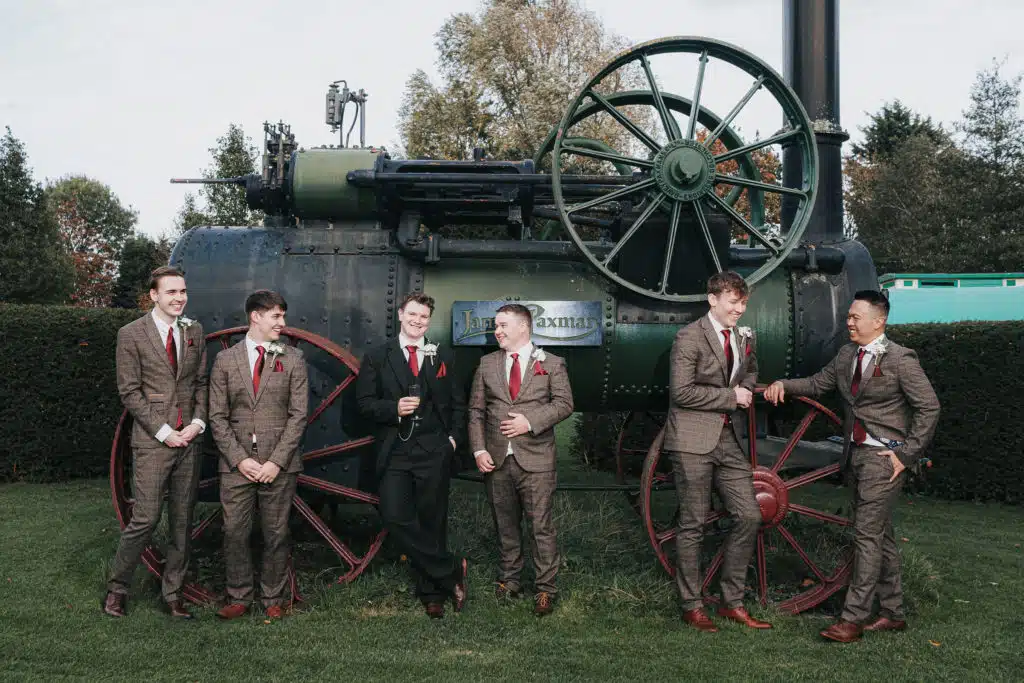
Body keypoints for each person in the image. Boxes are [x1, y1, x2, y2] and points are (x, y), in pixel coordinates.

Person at [765, 289, 939, 643]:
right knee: (880, 535)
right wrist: (782, 384)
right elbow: (817, 384)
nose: (849, 322)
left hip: (883, 460)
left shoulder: (901, 360)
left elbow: (930, 407)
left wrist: (905, 454)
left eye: (856, 317)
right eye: (848, 316)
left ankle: (853, 619)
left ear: (880, 321)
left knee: (866, 537)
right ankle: (893, 613)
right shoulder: (847, 355)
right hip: (855, 458)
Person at [664, 270, 771, 633]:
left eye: (743, 303)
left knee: (750, 515)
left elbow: (751, 372)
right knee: (692, 524)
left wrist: (745, 388)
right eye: (732, 302)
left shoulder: (743, 336)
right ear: (712, 300)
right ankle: (692, 606)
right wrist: (731, 397)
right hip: (692, 441)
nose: (739, 309)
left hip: (729, 440)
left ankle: (731, 602)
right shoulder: (688, 337)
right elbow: (681, 392)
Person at [103, 266, 209, 619]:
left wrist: (196, 423)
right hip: (153, 442)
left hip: (189, 441)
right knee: (145, 519)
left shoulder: (194, 331)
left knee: (182, 522)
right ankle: (118, 588)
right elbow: (129, 392)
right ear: (153, 295)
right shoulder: (131, 334)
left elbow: (201, 384)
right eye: (171, 293)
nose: (179, 298)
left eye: (183, 291)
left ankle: (173, 594)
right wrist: (165, 432)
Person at [355, 292, 468, 619]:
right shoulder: (378, 355)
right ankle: (450, 570)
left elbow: (457, 404)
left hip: (435, 449)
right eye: (413, 315)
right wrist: (393, 408)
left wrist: (452, 441)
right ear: (401, 315)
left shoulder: (441, 354)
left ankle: (432, 594)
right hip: (396, 451)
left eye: (424, 318)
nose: (418, 321)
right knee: (394, 516)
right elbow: (363, 404)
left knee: (432, 521)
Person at [207, 290, 309, 620]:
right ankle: (238, 596)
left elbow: (298, 416)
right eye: (276, 316)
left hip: (278, 465)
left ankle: (273, 598)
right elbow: (217, 417)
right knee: (234, 531)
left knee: (276, 532)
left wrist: (276, 462)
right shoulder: (225, 361)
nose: (283, 323)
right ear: (255, 317)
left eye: (283, 316)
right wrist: (240, 460)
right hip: (237, 464)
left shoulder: (293, 359)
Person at [468, 303, 574, 616]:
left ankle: (545, 589)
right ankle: (509, 580)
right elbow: (475, 411)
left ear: (523, 327)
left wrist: (529, 421)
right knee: (505, 524)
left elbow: (565, 404)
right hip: (497, 460)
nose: (496, 331)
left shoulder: (552, 363)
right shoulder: (487, 364)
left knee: (541, 527)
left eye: (502, 326)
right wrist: (479, 449)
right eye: (495, 326)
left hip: (537, 460)